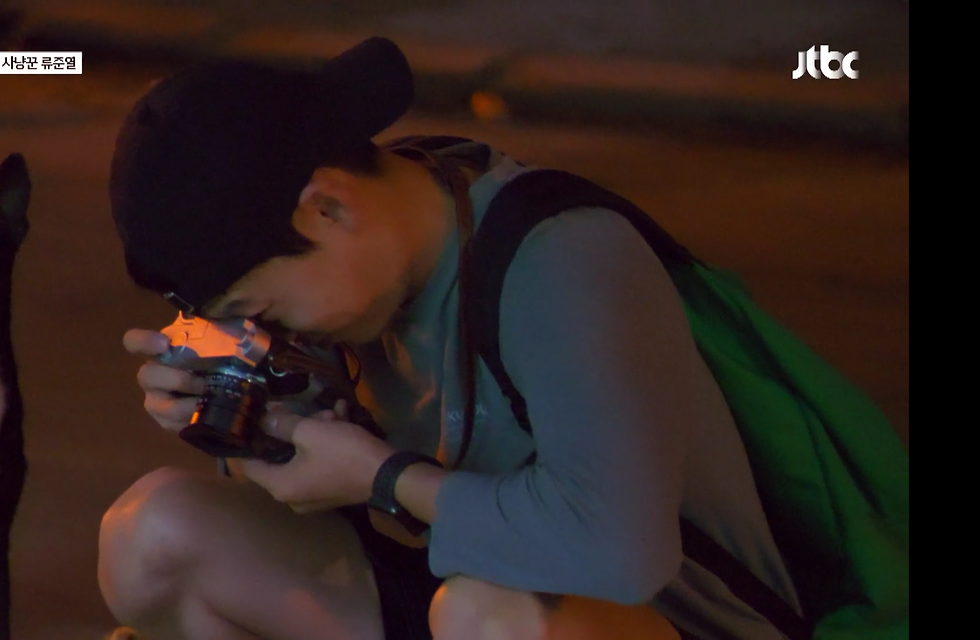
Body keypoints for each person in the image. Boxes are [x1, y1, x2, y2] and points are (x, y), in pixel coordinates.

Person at [97, 37, 803, 640]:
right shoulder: (374, 264)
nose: (269, 332)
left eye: (263, 309)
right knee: (152, 536)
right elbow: (325, 481)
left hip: (665, 619)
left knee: (484, 617)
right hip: (455, 592)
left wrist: (384, 478)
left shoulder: (560, 258)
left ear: (328, 208)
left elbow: (621, 553)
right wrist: (247, 421)